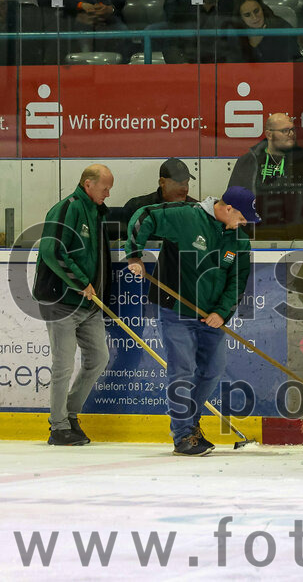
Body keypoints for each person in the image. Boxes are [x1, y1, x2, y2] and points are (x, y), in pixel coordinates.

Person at [125, 186, 259, 456]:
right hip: (177, 311)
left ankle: (191, 424)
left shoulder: (239, 241)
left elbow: (237, 282)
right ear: (228, 208)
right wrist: (135, 253)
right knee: (182, 371)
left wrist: (221, 313)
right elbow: (144, 215)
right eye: (243, 218)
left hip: (212, 317)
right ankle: (183, 434)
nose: (245, 225)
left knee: (212, 370)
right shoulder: (186, 216)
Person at [32, 164, 114, 446]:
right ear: (88, 184)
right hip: (61, 301)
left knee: (98, 358)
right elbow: (52, 250)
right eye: (105, 187)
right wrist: (80, 282)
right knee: (63, 364)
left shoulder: (97, 211)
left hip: (88, 304)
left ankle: (69, 413)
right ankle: (58, 428)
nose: (108, 192)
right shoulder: (67, 208)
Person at [228, 112, 303, 242]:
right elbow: (234, 203)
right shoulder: (249, 162)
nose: (291, 134)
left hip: (301, 242)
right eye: (285, 131)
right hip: (259, 242)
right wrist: (247, 238)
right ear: (269, 134)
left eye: (292, 130)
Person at [110, 158, 198, 240]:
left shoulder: (197, 210)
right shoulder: (136, 207)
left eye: (186, 183)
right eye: (179, 183)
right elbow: (122, 245)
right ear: (162, 182)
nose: (185, 189)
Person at [162, 0, 237, 64]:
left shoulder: (231, 8)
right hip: (189, 64)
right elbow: (170, 45)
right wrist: (184, 66)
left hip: (222, 66)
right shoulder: (182, 11)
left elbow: (237, 46)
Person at [233, 0, 300, 62]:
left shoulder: (281, 26)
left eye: (256, 11)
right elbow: (233, 66)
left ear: (262, 9)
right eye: (247, 15)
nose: (254, 17)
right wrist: (252, 46)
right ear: (241, 18)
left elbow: (293, 60)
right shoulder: (235, 32)